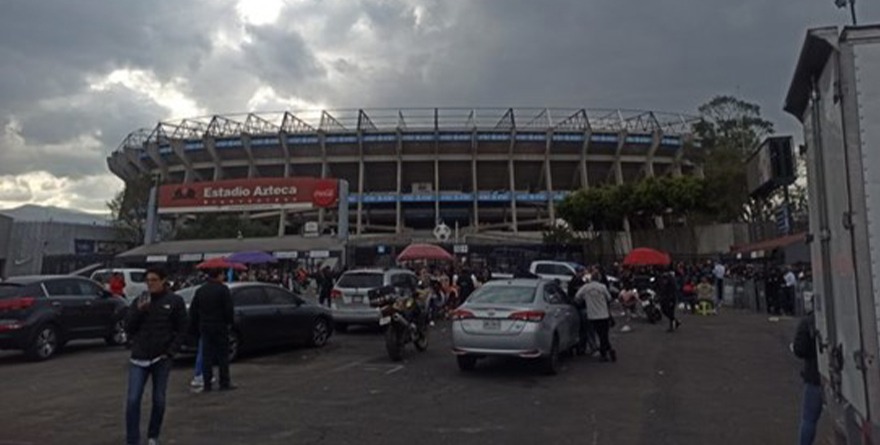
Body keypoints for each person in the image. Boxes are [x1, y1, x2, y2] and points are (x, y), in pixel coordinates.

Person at [124, 267, 188, 445]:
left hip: (161, 358)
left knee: (158, 399)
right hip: (139, 356)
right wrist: (139, 310)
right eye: (148, 280)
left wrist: (171, 351)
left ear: (163, 281)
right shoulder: (140, 301)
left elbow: (182, 328)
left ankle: (153, 435)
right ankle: (132, 440)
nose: (150, 283)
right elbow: (128, 327)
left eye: (154, 280)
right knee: (133, 399)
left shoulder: (174, 301)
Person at [189, 268, 235, 392]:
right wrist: (229, 323)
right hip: (220, 326)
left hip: (205, 326)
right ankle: (224, 382)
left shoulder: (200, 291)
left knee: (206, 356)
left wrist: (195, 326)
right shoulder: (223, 290)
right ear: (219, 275)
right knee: (222, 356)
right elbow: (228, 309)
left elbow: (194, 310)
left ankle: (207, 383)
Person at [792, 312, 822, 445]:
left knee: (808, 420)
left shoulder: (807, 322)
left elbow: (799, 349)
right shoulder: (839, 317)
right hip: (842, 379)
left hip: (814, 377)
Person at [575, 275, 616, 362]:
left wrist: (585, 301)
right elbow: (609, 298)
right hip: (604, 314)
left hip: (592, 315)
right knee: (603, 335)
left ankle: (606, 351)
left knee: (597, 334)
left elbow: (577, 297)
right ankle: (606, 352)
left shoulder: (585, 288)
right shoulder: (602, 287)